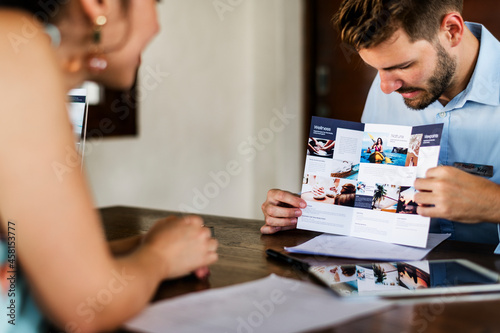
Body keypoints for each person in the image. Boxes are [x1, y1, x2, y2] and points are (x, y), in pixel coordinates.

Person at [0, 1, 218, 332]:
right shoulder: (15, 47)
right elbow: (89, 306)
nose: (157, 25)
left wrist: (139, 247)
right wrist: (159, 258)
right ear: (97, 4)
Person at [261, 0, 500, 252]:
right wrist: (311, 210)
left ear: (452, 30)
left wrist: (493, 203)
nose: (386, 88)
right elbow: (375, 193)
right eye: (377, 70)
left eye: (403, 66)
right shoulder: (392, 83)